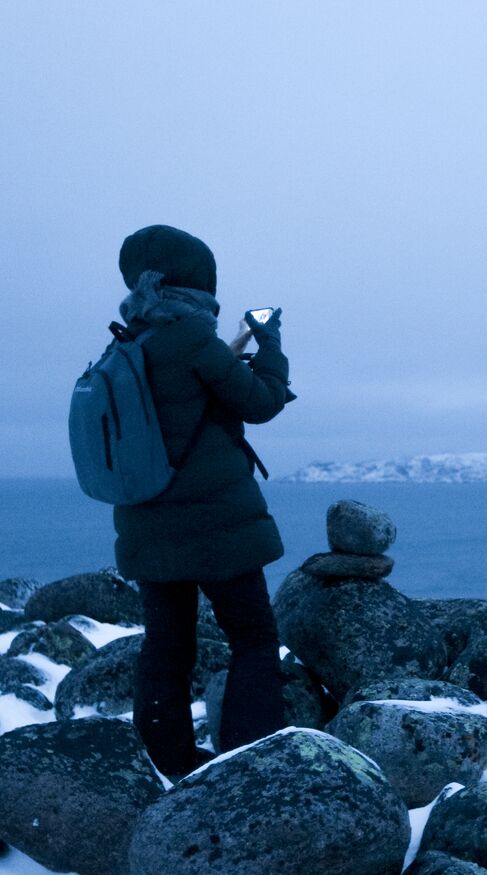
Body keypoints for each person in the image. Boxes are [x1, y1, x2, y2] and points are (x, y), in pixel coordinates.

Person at [112, 224, 292, 777]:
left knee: (167, 645)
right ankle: (247, 760)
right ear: (197, 284)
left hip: (148, 526)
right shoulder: (193, 339)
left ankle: (165, 761)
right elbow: (260, 403)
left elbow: (179, 400)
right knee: (254, 640)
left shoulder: (128, 341)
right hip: (219, 528)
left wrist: (228, 351)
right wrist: (270, 345)